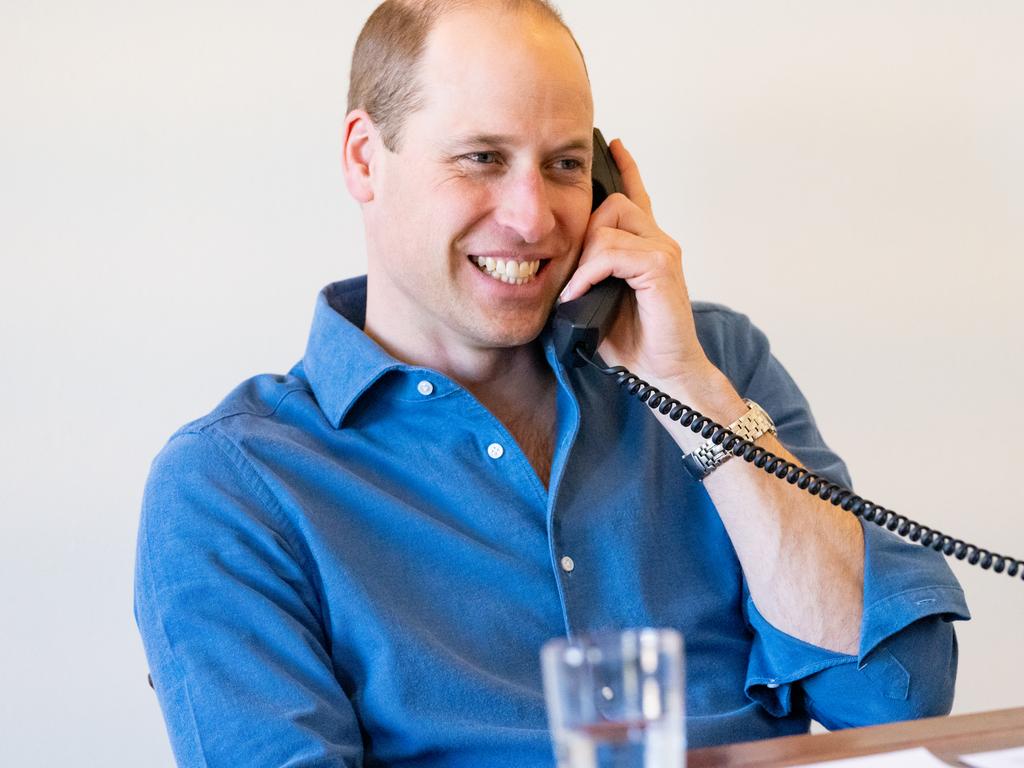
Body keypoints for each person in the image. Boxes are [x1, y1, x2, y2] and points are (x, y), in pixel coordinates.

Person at [134, 1, 969, 765]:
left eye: (565, 164)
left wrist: (694, 397)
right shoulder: (235, 486)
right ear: (364, 156)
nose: (533, 218)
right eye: (482, 158)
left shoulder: (712, 366)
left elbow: (895, 701)